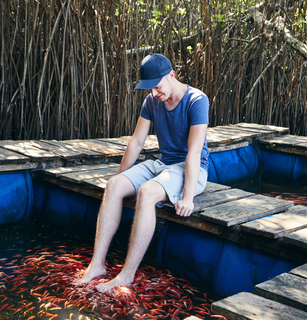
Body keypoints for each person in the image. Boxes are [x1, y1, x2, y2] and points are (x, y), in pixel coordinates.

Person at [74, 53, 209, 292]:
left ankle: (126, 275)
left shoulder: (197, 100)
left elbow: (195, 152)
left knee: (147, 192)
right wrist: (121, 179)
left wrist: (187, 197)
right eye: (149, 89)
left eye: (157, 87)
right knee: (113, 186)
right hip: (163, 163)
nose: (154, 93)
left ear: (172, 75)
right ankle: (97, 266)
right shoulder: (152, 101)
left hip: (191, 169)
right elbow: (136, 142)